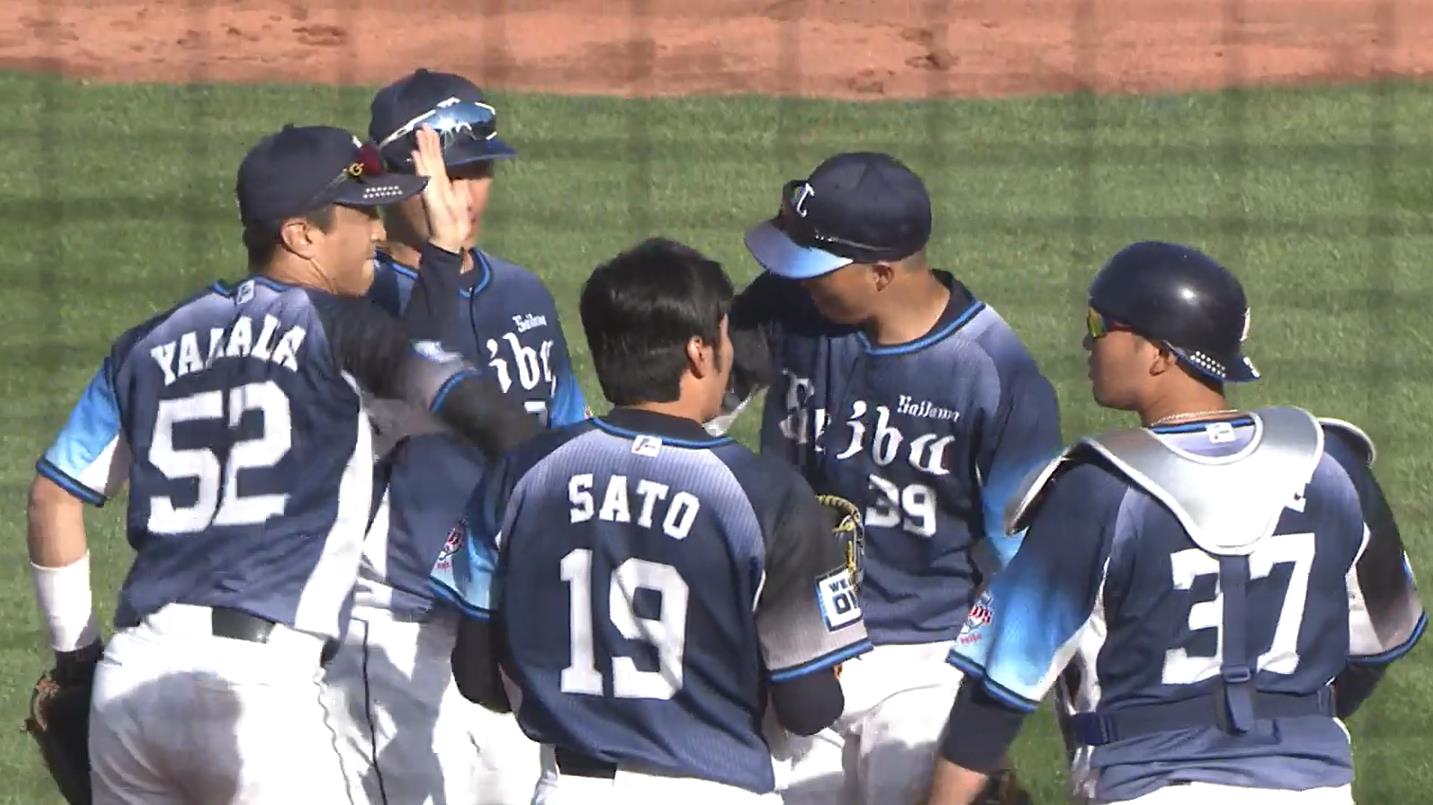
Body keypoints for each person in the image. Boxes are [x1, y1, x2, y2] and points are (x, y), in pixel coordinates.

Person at [25, 123, 536, 804]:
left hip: (133, 687)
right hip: (258, 697)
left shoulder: (146, 343)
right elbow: (472, 408)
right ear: (301, 235)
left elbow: (52, 496)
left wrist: (78, 661)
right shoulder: (343, 332)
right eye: (360, 216)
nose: (377, 234)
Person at [928, 241, 1427, 805]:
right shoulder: (1332, 468)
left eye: (1099, 324)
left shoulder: (1100, 489)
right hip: (1314, 790)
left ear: (1159, 354)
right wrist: (1290, 720)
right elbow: (1386, 635)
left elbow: (996, 691)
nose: (1087, 342)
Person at [431, 237, 874, 804]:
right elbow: (809, 709)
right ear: (698, 352)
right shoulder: (768, 496)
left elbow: (476, 675)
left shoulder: (520, 475)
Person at [727, 151, 1059, 803]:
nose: (795, 279)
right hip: (793, 646)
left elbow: (1024, 565)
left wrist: (980, 705)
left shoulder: (991, 373)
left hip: (922, 666)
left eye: (815, 267)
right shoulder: (789, 306)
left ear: (881, 273)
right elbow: (692, 408)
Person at [315, 67, 586, 805]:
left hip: (505, 620)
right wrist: (437, 250)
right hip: (394, 621)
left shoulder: (522, 292)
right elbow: (406, 384)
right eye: (442, 175)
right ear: (392, 181)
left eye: (474, 172)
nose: (460, 195)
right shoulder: (356, 302)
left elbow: (566, 440)